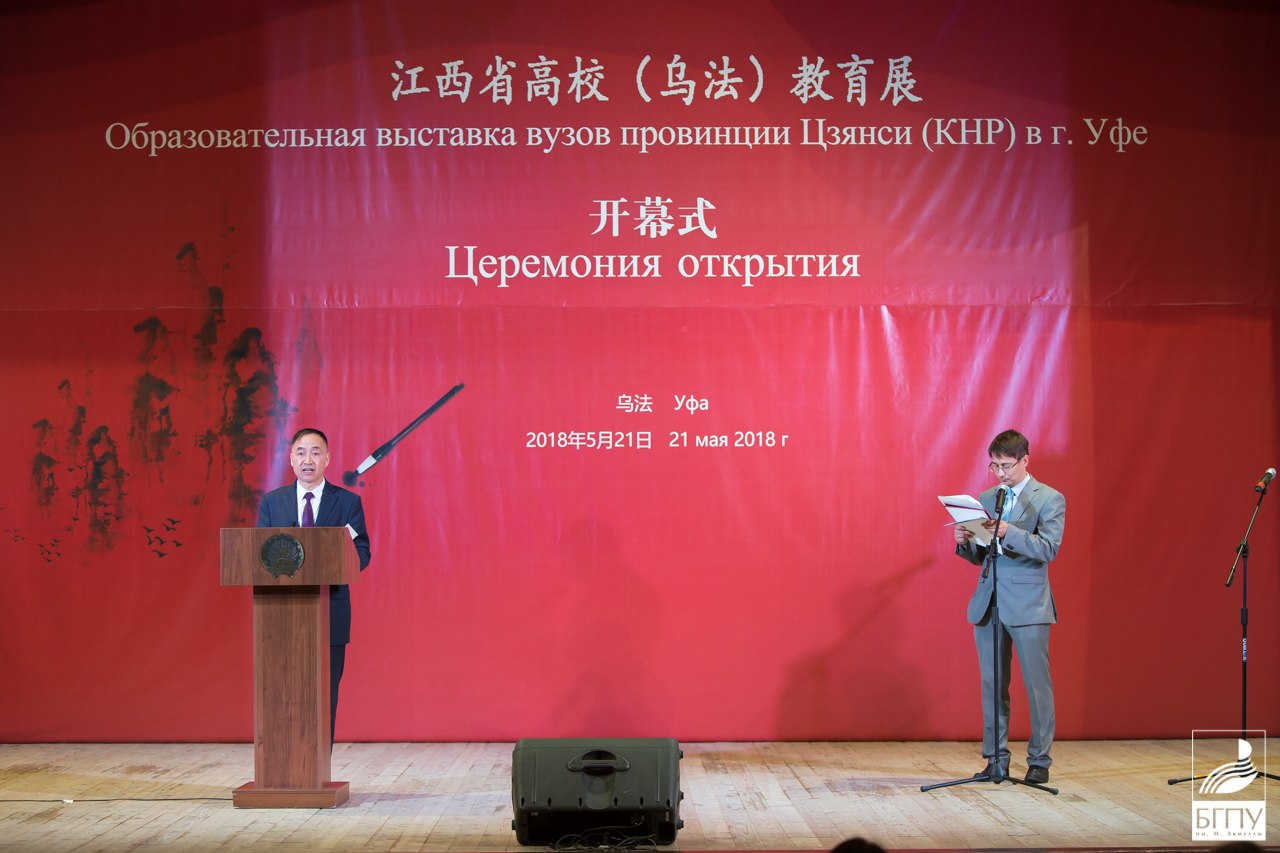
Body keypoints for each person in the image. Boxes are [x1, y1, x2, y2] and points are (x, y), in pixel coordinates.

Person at [953, 429, 1064, 785]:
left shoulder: (1049, 498)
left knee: (1036, 687)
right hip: (990, 602)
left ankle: (1039, 760)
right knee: (992, 685)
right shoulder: (988, 497)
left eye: (1006, 466)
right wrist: (965, 541)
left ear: (1024, 461)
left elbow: (1048, 549)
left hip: (1029, 605)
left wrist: (1008, 532)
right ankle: (995, 759)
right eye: (994, 466)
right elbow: (983, 556)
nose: (1000, 473)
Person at [257, 427, 371, 745]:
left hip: (330, 612)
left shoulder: (347, 502)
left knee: (324, 694)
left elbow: (362, 552)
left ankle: (320, 763)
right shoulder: (272, 503)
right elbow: (258, 554)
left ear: (327, 459)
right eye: (301, 452)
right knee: (282, 694)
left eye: (316, 453)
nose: (308, 460)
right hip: (281, 616)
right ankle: (284, 762)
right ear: (291, 459)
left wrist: (336, 563)